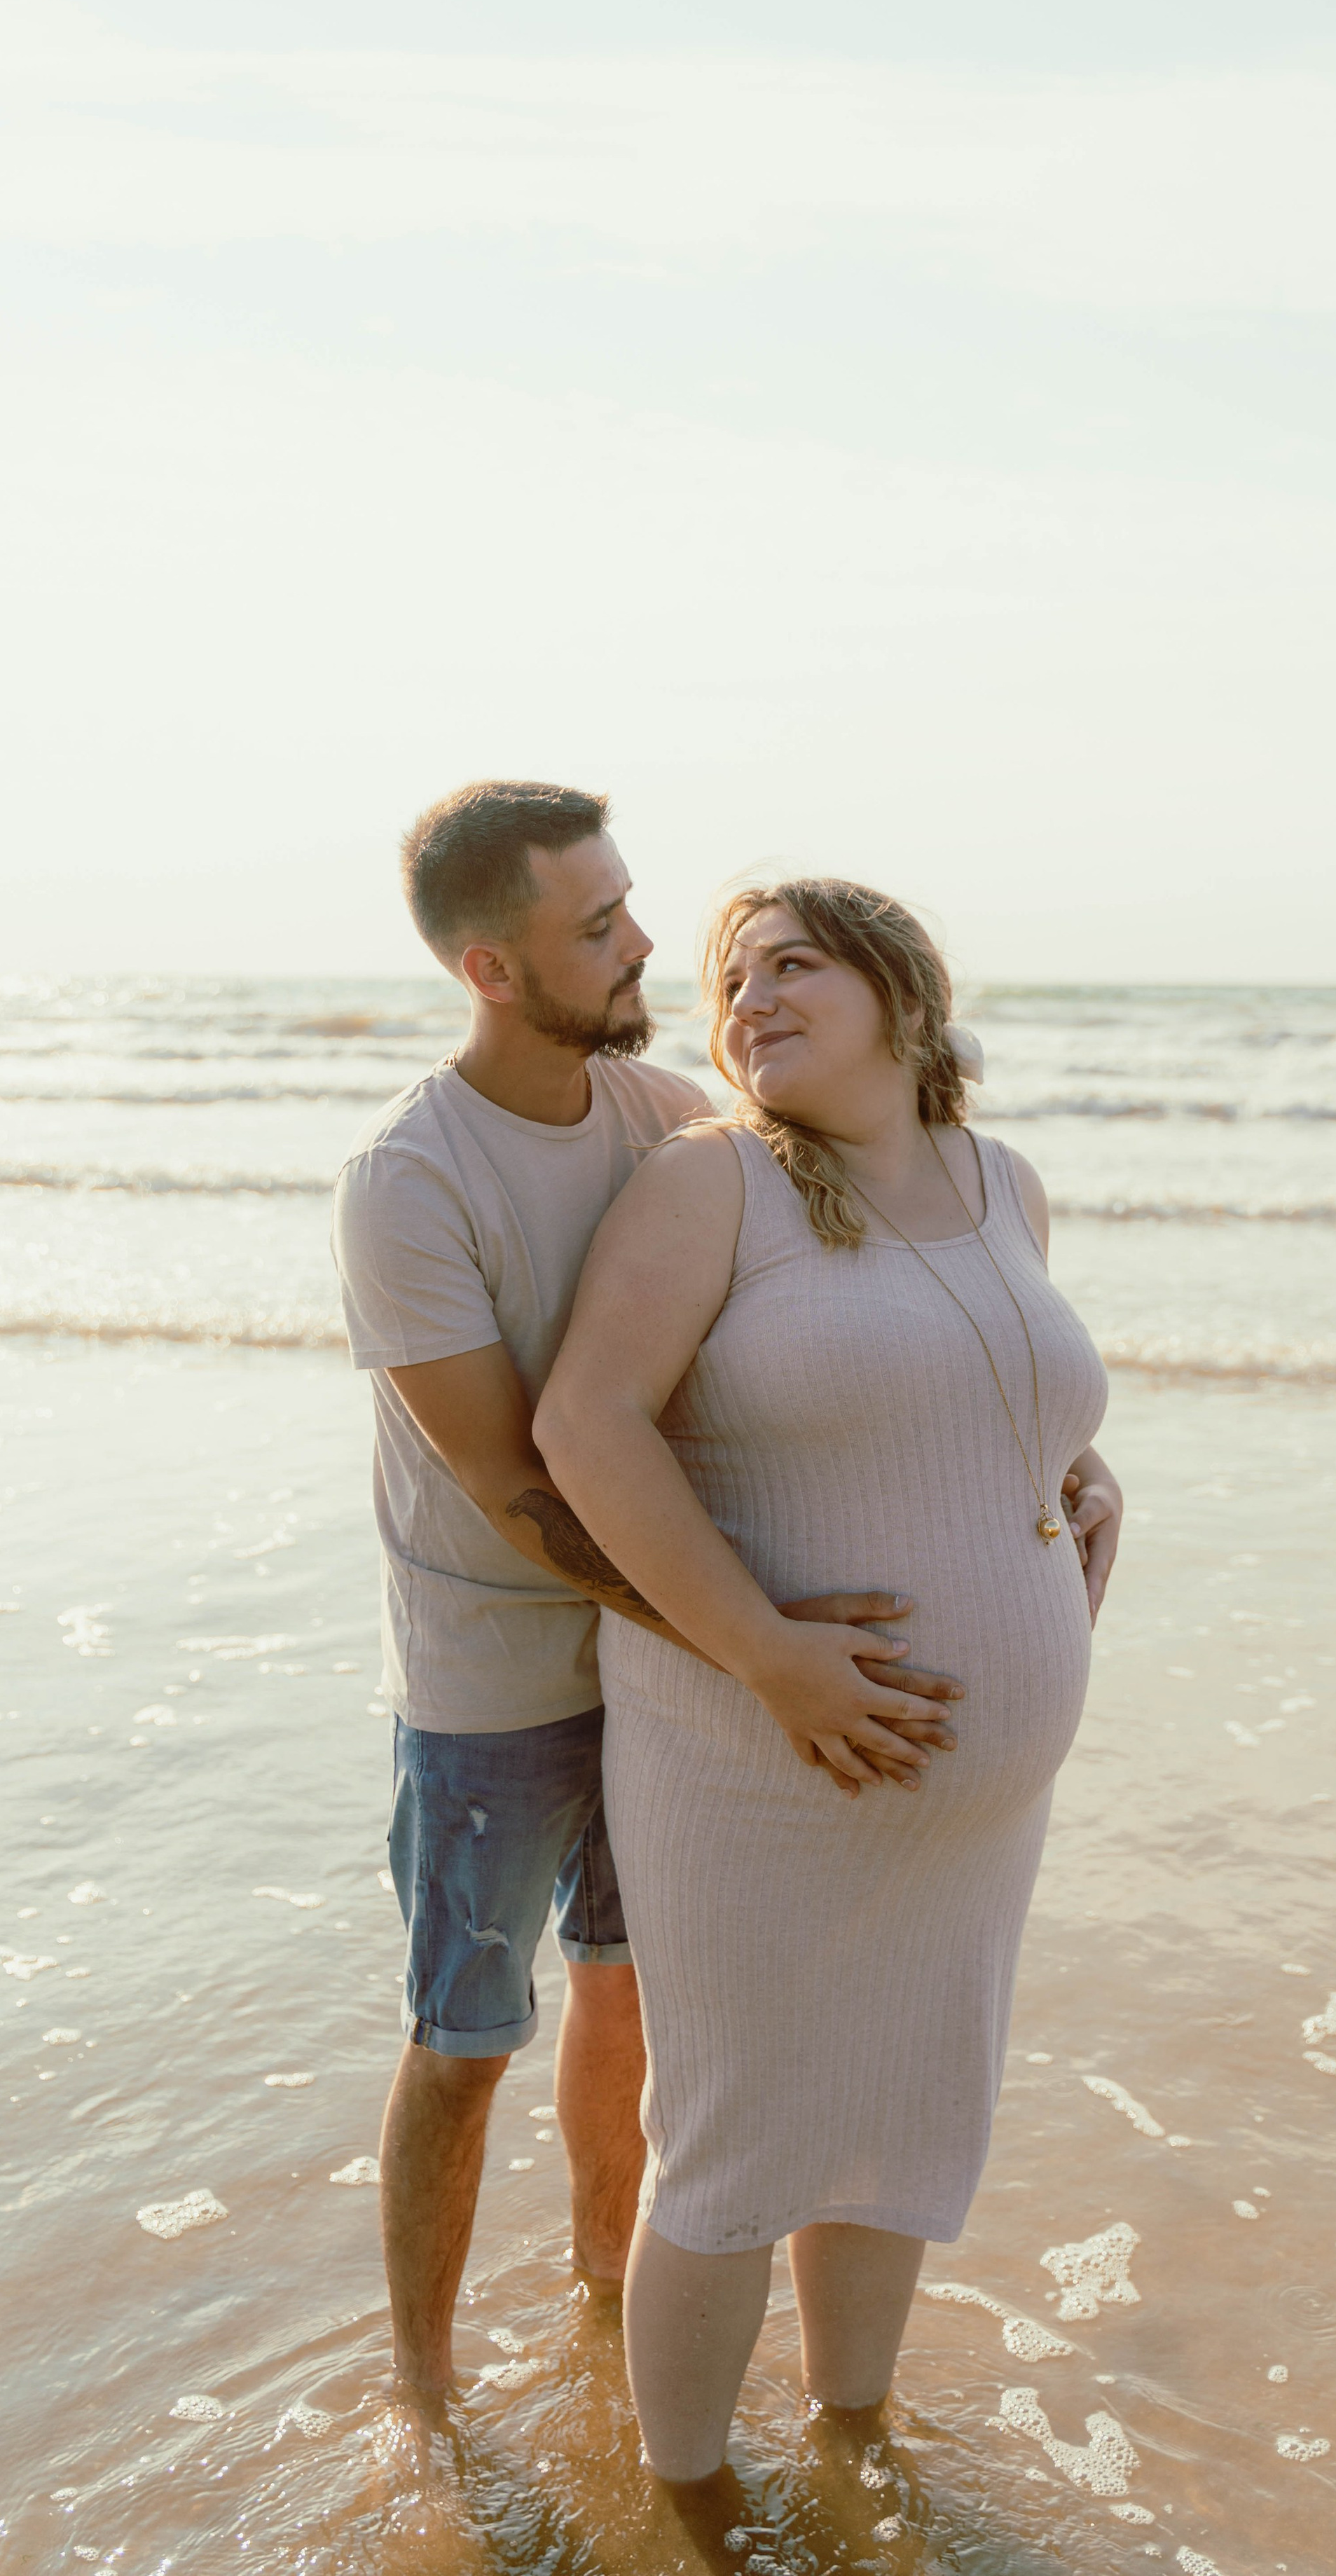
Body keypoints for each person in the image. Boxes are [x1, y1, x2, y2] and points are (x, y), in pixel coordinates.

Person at [331, 785, 965, 2402]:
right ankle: (422, 2387)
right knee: (467, 2042)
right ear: (489, 966)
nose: (639, 943)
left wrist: (1052, 1444)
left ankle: (605, 2298)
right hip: (493, 1678)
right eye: (594, 927)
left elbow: (859, 1290)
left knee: (628, 1996)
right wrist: (759, 1650)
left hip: (661, 1666)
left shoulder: (664, 1115)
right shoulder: (408, 1183)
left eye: (626, 905)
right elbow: (522, 1488)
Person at [533, 875, 1122, 2495]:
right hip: (755, 1759)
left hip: (971, 1806)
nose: (750, 1001)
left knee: (901, 2122)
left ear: (901, 992)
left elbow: (968, 1377)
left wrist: (1077, 1466)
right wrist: (769, 1657)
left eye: (792, 965)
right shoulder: (712, 1185)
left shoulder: (1004, 1182)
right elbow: (585, 1429)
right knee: (734, 2145)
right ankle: (688, 2498)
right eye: (730, 981)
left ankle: (854, 2438)